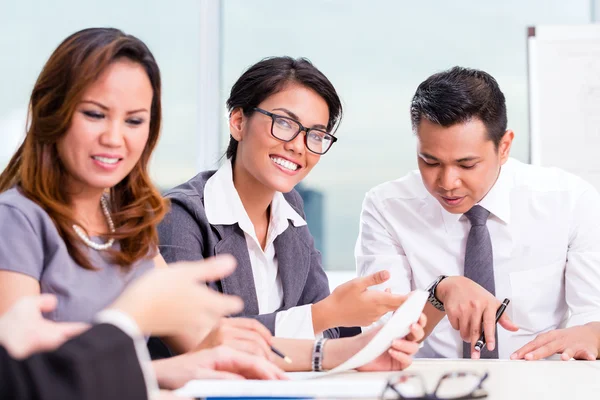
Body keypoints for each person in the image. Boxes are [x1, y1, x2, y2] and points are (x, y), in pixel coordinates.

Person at [0, 27, 424, 380]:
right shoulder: (17, 220)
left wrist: (355, 350)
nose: (115, 138)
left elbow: (213, 341)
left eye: (134, 120)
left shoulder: (128, 224)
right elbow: (25, 376)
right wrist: (134, 325)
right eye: (95, 114)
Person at [158, 56, 409, 349]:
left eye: (315, 135)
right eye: (284, 123)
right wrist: (324, 316)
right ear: (238, 123)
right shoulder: (179, 215)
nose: (297, 146)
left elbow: (328, 330)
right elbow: (200, 338)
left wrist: (376, 334)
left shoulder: (290, 210)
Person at [356, 66, 600, 361]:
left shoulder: (569, 201)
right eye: (430, 162)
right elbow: (381, 337)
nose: (447, 183)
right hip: (429, 385)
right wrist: (439, 294)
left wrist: (593, 333)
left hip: (538, 382)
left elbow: (592, 313)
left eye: (467, 164)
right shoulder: (387, 208)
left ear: (505, 146)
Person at [0, 256, 286, 400]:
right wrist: (127, 319)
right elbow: (32, 386)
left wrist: (153, 373)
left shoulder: (133, 215)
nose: (114, 139)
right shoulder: (16, 216)